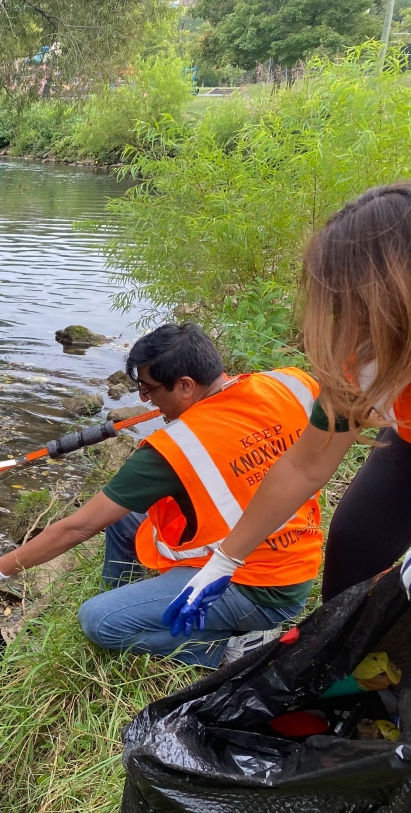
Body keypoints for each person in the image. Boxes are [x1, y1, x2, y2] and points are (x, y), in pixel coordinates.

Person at [0, 324, 324, 668]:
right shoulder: (288, 383)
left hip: (256, 586)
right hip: (292, 558)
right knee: (126, 517)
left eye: (150, 390)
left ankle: (228, 647)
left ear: (186, 385)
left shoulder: (176, 448)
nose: (146, 401)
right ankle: (134, 603)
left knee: (98, 623)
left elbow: (80, 525)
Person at [169, 183, 411, 629]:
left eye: (354, 304)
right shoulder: (361, 355)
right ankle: (343, 653)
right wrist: (224, 561)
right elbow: (305, 466)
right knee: (354, 542)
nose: (345, 323)